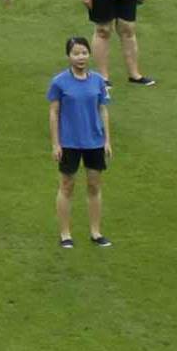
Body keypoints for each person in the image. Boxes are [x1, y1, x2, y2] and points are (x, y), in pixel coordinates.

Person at [47, 35, 113, 248]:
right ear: (69, 56)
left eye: (84, 52)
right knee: (67, 185)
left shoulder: (98, 81)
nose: (80, 57)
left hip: (94, 141)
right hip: (70, 143)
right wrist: (56, 144)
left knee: (94, 185)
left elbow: (103, 110)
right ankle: (65, 234)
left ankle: (96, 232)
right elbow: (53, 113)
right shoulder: (59, 82)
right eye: (76, 53)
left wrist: (107, 140)